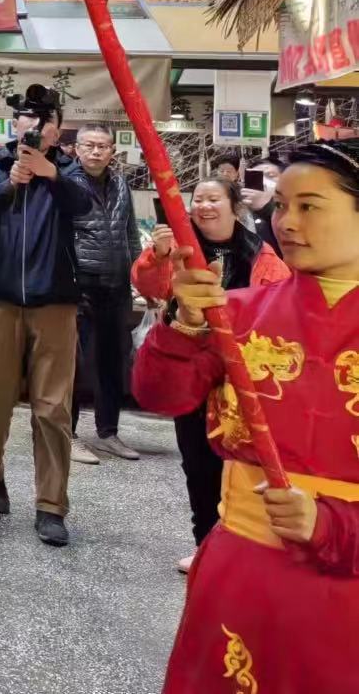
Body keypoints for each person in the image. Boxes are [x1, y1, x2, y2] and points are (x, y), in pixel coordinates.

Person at [133, 142, 359, 693]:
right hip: (240, 572)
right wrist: (186, 323)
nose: (287, 221)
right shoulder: (239, 312)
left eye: (310, 206)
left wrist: (331, 527)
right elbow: (160, 397)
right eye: (280, 205)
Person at [133, 176, 290, 573]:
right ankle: (205, 544)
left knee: (236, 463)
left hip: (239, 376)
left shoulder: (259, 253)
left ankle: (238, 545)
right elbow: (150, 287)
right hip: (188, 367)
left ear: (233, 205)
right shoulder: (181, 249)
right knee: (197, 464)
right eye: (198, 199)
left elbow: (276, 304)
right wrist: (159, 255)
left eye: (213, 199)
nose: (204, 206)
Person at [0, 88, 93, 547]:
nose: (32, 125)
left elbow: (84, 205)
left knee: (53, 407)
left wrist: (51, 175)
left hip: (55, 303)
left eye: (42, 118)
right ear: (13, 125)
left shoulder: (72, 172)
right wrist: (12, 183)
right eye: (24, 117)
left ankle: (51, 506)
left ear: (58, 128)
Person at [69, 123, 144, 465]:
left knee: (112, 360)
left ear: (113, 151)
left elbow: (130, 232)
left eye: (103, 146)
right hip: (79, 285)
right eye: (89, 145)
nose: (96, 152)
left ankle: (108, 433)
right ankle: (65, 434)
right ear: (76, 149)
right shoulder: (66, 182)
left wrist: (138, 275)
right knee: (71, 363)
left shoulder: (120, 183)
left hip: (116, 285)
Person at [243, 157, 283, 252]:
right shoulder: (238, 211)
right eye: (256, 177)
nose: (264, 181)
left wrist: (265, 208)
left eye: (270, 175)